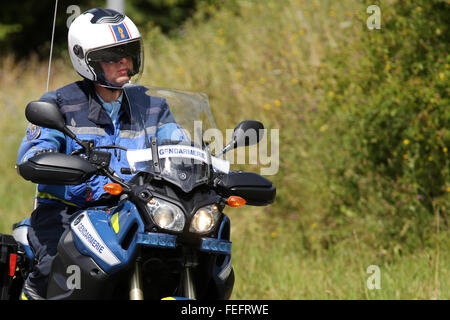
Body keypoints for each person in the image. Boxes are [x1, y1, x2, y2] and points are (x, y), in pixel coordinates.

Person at [16, 8, 185, 300]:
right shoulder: (60, 104)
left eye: (129, 53)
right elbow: (33, 155)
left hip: (136, 212)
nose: (124, 62)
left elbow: (180, 147)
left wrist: (203, 165)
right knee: (53, 271)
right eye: (113, 56)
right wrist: (67, 164)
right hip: (68, 214)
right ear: (87, 61)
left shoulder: (153, 107)